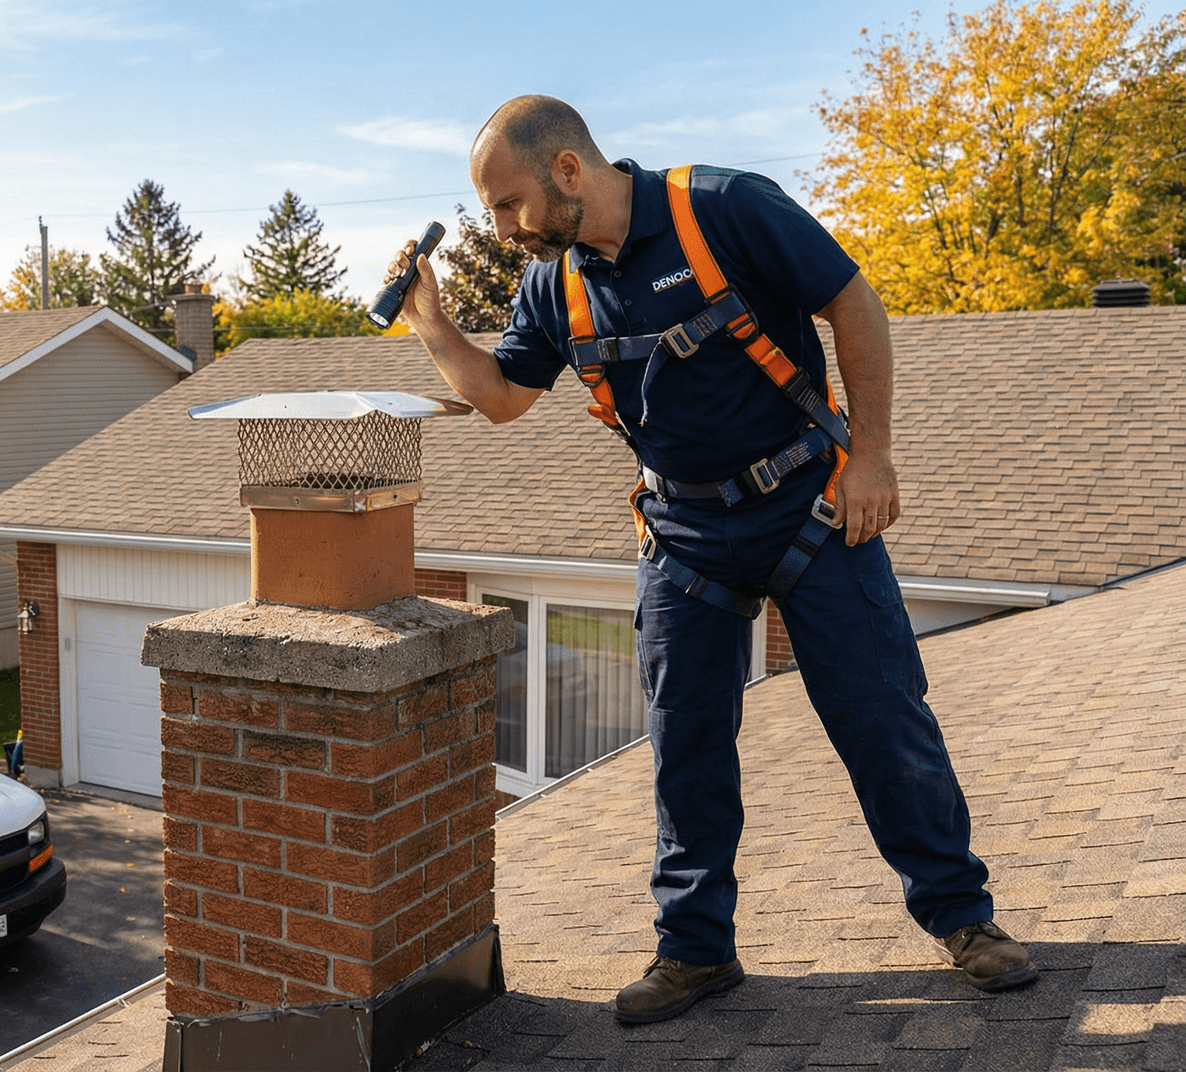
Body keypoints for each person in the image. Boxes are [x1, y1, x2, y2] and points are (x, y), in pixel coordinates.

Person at [387, 95, 1036, 1025]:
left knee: (882, 719)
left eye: (510, 203)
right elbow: (500, 397)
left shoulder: (725, 208)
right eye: (494, 211)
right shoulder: (555, 285)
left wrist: (875, 457)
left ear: (568, 171)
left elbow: (853, 302)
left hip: (811, 509)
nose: (503, 228)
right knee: (684, 746)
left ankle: (963, 919)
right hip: (684, 536)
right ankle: (695, 951)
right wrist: (429, 321)